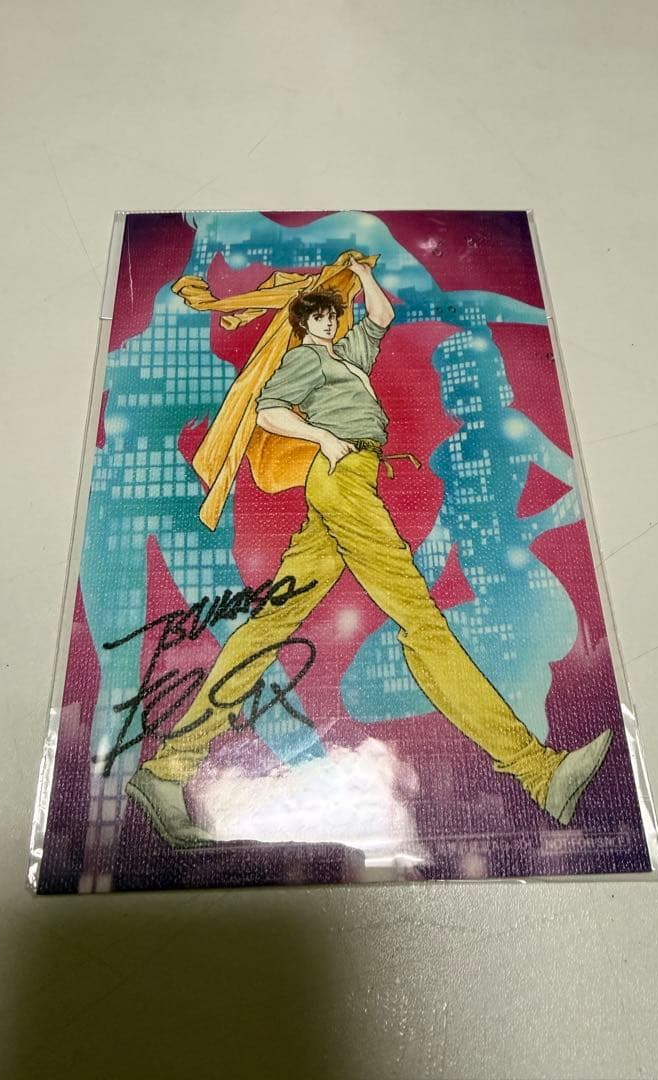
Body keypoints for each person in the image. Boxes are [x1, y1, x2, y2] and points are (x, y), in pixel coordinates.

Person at [126, 257, 611, 847]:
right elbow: (268, 410)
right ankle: (538, 771)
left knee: (268, 627)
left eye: (334, 316)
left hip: (346, 485)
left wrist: (360, 277)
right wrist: (323, 437)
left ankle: (166, 770)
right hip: (343, 482)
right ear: (303, 323)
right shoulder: (305, 360)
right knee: (422, 623)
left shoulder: (348, 358)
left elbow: (380, 316)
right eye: (320, 317)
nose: (331, 323)